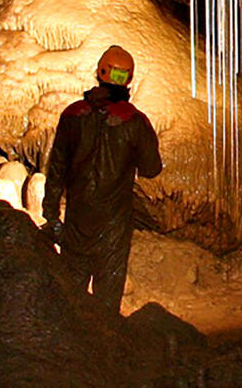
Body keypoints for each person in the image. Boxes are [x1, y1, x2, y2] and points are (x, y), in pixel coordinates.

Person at [42, 45, 163, 313]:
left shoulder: (73, 115)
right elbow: (152, 168)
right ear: (128, 79)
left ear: (100, 73)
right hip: (113, 227)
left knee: (71, 297)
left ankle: (72, 348)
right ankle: (104, 350)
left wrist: (50, 213)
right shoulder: (135, 121)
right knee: (106, 304)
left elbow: (57, 168)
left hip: (78, 223)